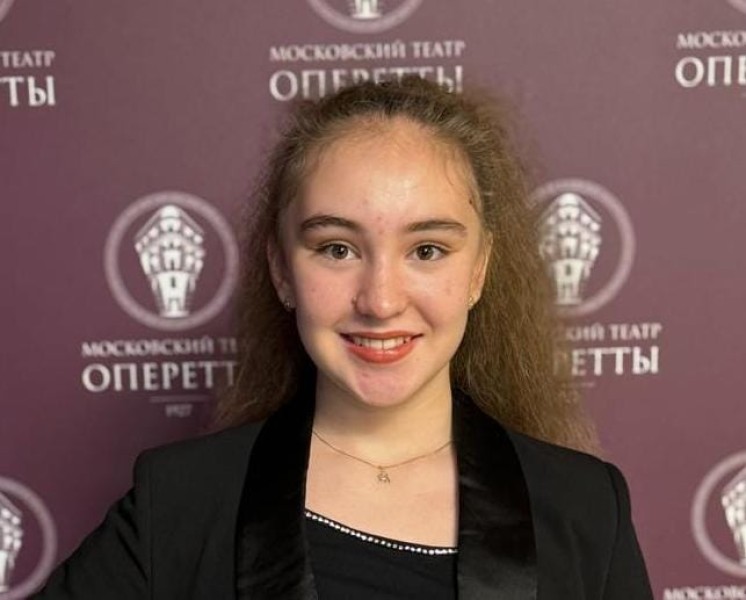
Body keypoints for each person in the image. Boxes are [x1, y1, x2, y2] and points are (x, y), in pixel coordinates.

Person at [33, 76, 653, 599]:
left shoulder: (585, 510)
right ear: (282, 271)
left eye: (427, 250)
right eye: (336, 249)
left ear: (479, 271)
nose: (380, 301)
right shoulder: (180, 501)